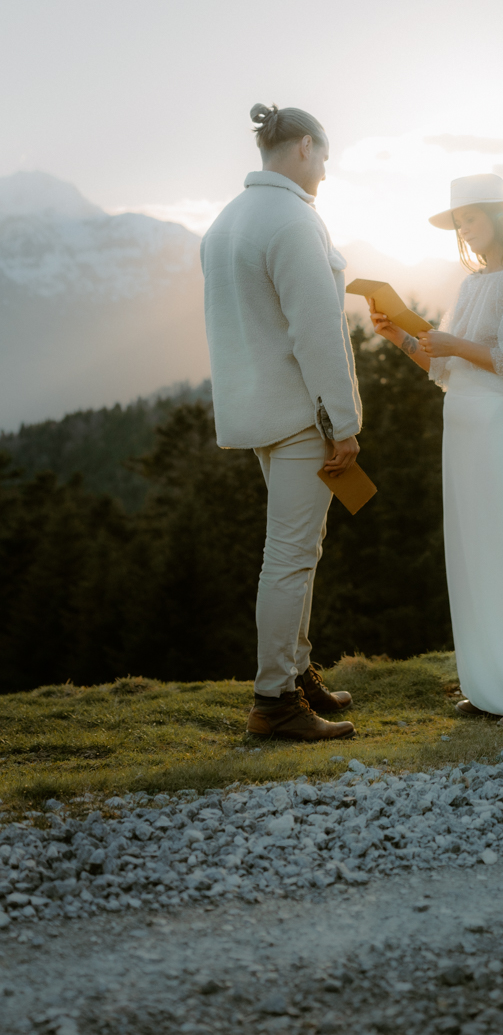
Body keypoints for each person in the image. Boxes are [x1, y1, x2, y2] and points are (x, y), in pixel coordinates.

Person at [369, 174, 503, 727]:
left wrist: (455, 344)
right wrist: (398, 336)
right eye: (458, 221)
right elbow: (443, 368)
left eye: (470, 217)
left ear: (498, 216)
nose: (464, 230)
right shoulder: (470, 287)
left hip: (499, 427)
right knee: (474, 553)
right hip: (462, 427)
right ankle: (490, 688)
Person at [200, 103, 361, 742]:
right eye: (324, 155)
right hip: (301, 416)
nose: (325, 167)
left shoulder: (225, 221)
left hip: (256, 412)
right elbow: (316, 333)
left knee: (299, 550)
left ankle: (296, 671)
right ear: (303, 148)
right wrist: (342, 421)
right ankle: (275, 703)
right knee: (289, 557)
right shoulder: (294, 220)